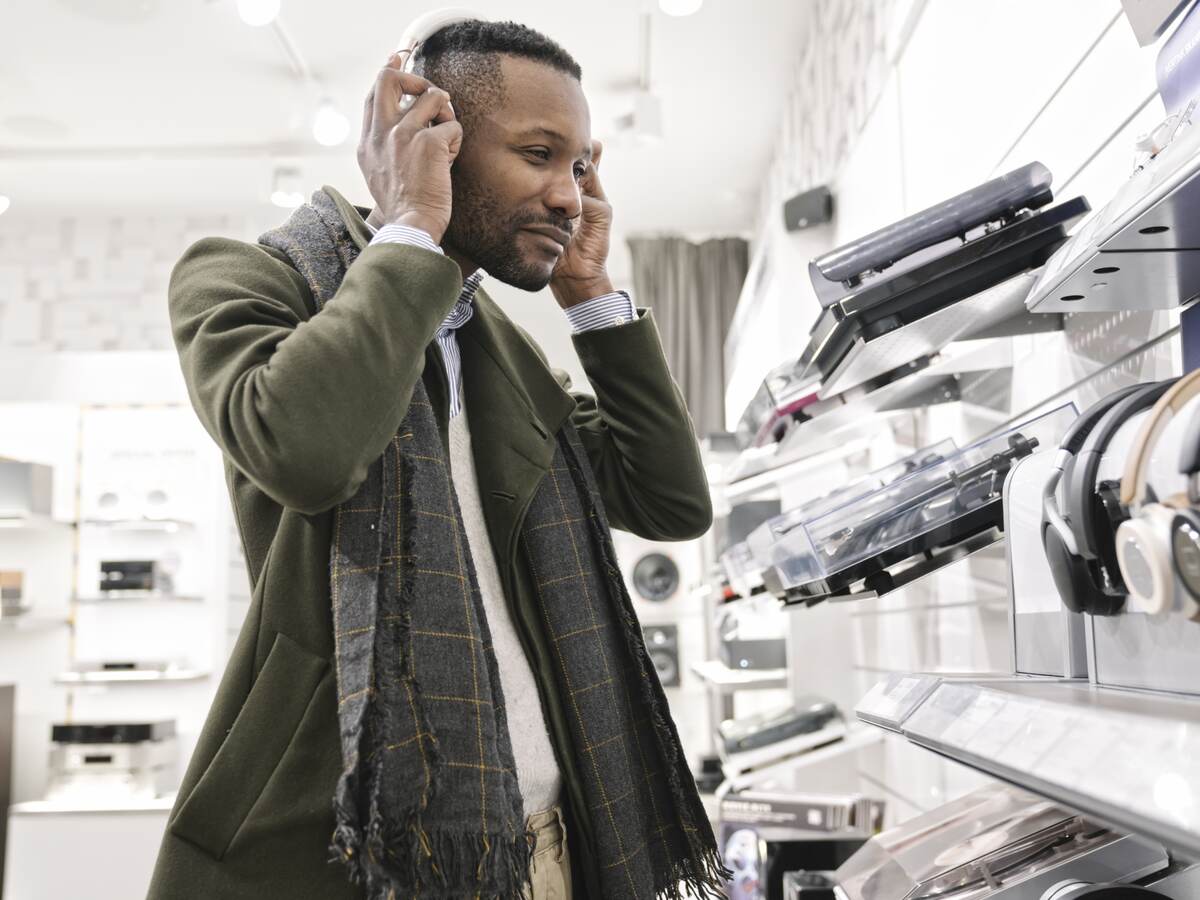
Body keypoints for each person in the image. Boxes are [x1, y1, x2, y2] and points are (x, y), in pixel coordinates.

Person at [148, 17, 727, 900]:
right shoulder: (244, 279)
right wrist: (414, 224)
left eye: (578, 166)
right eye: (538, 154)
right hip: (347, 849)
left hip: (555, 846)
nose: (571, 196)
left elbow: (669, 501)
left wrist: (591, 295)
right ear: (432, 141)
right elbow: (308, 449)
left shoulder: (506, 357)